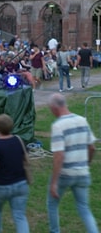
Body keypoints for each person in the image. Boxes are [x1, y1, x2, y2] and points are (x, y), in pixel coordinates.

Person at [47, 93, 99, 233]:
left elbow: (59, 155)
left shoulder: (58, 126)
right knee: (84, 209)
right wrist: (86, 164)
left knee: (52, 205)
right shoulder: (82, 120)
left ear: (54, 108)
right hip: (82, 172)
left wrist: (54, 182)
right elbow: (92, 147)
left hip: (65, 173)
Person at [0, 114, 30, 233]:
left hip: (0, 186)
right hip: (21, 184)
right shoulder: (19, 140)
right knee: (20, 216)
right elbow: (26, 159)